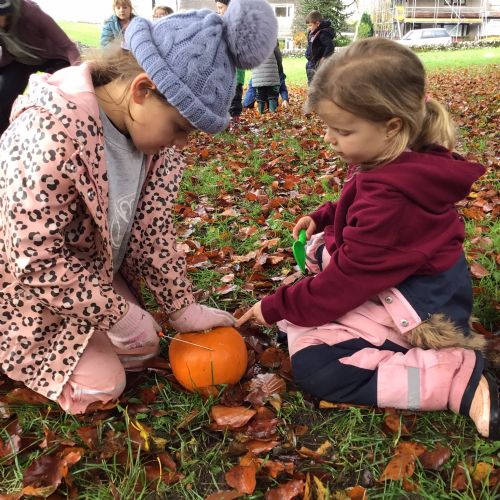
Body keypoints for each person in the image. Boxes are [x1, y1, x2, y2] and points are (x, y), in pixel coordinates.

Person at [0, 0, 277, 414]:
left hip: (89, 273)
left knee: (144, 346)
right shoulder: (51, 132)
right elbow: (34, 259)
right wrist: (118, 314)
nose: (181, 143)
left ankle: (89, 336)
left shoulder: (155, 150)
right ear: (142, 90)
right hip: (21, 290)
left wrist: (181, 307)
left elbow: (151, 233)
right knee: (104, 384)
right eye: (180, 128)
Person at [236, 38, 499, 440]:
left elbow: (346, 280)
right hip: (393, 286)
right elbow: (357, 201)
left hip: (419, 313)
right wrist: (324, 216)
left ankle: (453, 378)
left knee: (321, 368)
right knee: (302, 314)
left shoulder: (394, 198)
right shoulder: (390, 158)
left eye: (342, 130)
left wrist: (272, 306)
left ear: (392, 126)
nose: (329, 138)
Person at [0, 0, 80, 136]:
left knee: (62, 97)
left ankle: (65, 134)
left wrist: (78, 74)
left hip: (52, 58)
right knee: (3, 95)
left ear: (7, 12)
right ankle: (5, 137)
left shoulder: (31, 12)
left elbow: (68, 46)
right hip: (21, 60)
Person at [215, 0, 244, 125]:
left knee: (235, 97)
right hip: (221, 70)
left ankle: (234, 121)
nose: (218, 11)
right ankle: (223, 121)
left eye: (221, 7)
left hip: (235, 70)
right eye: (218, 8)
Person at [251, 42, 283, 114]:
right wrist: (277, 66)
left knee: (260, 95)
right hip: (272, 72)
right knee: (272, 94)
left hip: (258, 73)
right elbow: (279, 57)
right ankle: (272, 112)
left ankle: (260, 112)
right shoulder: (272, 40)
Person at [305, 10, 334, 85]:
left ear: (317, 23)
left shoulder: (322, 34)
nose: (309, 28)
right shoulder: (311, 33)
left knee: (316, 84)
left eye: (310, 25)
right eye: (308, 26)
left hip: (317, 64)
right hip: (310, 63)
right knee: (311, 82)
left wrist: (324, 58)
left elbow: (330, 46)